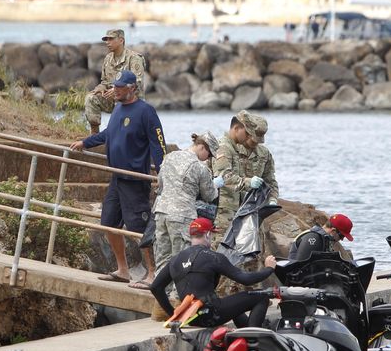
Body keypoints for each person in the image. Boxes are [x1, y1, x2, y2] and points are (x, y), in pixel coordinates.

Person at [70, 70, 166, 289]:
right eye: (115, 86)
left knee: (138, 229)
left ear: (132, 88)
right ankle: (123, 270)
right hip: (116, 177)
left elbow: (158, 144)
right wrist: (86, 142)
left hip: (134, 179)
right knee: (109, 224)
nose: (115, 90)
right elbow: (108, 134)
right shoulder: (117, 109)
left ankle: (152, 273)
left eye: (120, 87)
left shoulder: (146, 112)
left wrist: (163, 173)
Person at [151, 218, 278, 328]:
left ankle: (244, 332)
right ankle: (253, 340)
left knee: (233, 304)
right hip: (212, 315)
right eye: (211, 235)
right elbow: (245, 279)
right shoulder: (213, 256)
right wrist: (269, 269)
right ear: (207, 234)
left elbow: (155, 287)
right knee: (262, 297)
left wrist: (174, 313)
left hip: (190, 318)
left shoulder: (175, 259)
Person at [152, 131, 222, 274]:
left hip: (161, 212)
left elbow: (160, 183)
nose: (207, 159)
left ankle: (161, 292)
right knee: (181, 260)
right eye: (209, 155)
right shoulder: (200, 167)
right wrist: (215, 184)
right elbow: (209, 196)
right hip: (182, 216)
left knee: (162, 259)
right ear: (202, 147)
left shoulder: (170, 157)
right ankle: (177, 295)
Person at [212, 110, 279, 242]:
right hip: (225, 212)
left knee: (250, 254)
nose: (254, 142)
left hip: (251, 211)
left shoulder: (264, 154)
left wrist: (272, 199)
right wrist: (249, 182)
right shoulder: (224, 147)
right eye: (250, 135)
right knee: (221, 250)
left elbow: (270, 180)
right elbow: (224, 177)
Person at [84, 29, 145, 136]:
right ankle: (94, 133)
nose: (107, 42)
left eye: (111, 39)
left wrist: (117, 90)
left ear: (121, 40)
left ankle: (119, 134)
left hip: (131, 101)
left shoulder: (134, 58)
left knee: (120, 131)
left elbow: (137, 84)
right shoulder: (108, 59)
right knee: (91, 98)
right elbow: (105, 82)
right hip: (114, 98)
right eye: (106, 39)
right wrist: (101, 88)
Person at [288, 213, 354, 262]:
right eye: (342, 236)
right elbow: (300, 266)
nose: (342, 239)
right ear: (333, 231)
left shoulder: (325, 240)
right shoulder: (313, 238)